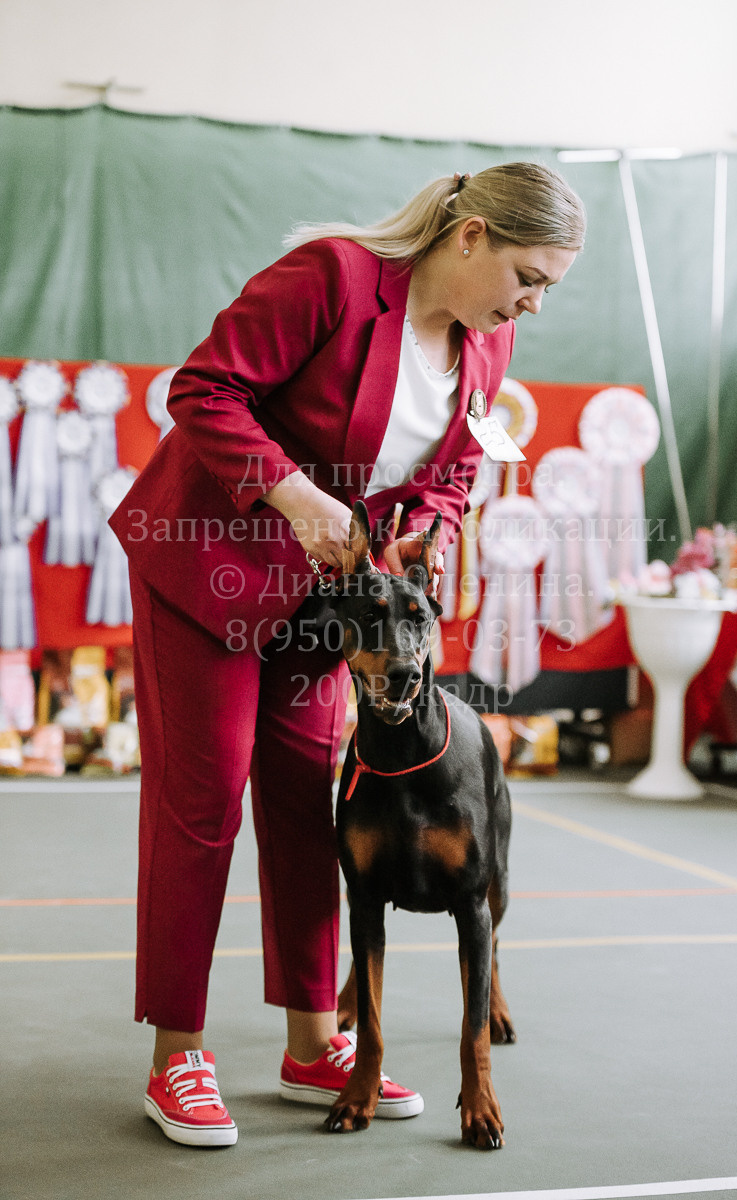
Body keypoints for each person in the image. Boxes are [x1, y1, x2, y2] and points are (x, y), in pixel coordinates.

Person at [109, 161, 586, 1147]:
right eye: (530, 277)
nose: (533, 304)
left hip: (331, 608)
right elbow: (202, 391)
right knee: (203, 807)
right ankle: (177, 1056)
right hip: (214, 574)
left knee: (304, 801)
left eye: (547, 288)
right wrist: (295, 495)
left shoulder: (485, 352)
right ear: (471, 238)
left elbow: (454, 474)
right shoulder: (330, 277)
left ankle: (313, 1039)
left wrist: (426, 531)